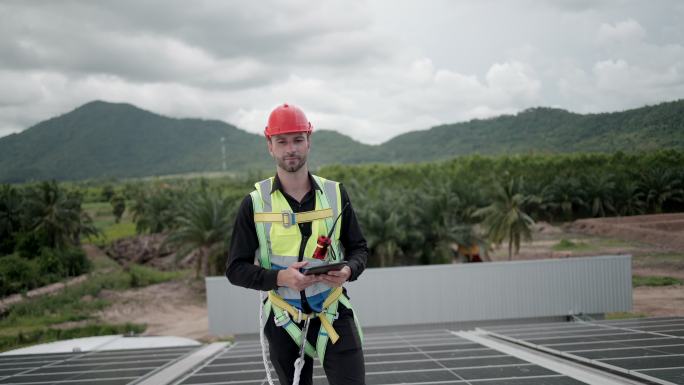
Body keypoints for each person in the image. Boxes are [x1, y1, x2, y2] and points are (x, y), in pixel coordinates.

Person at [226, 103, 368, 385]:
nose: (291, 148)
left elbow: (359, 249)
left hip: (332, 313)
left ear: (308, 142)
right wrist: (280, 277)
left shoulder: (335, 194)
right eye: (282, 141)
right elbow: (235, 268)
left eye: (297, 140)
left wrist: (349, 270)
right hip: (283, 321)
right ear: (270, 146)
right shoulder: (254, 203)